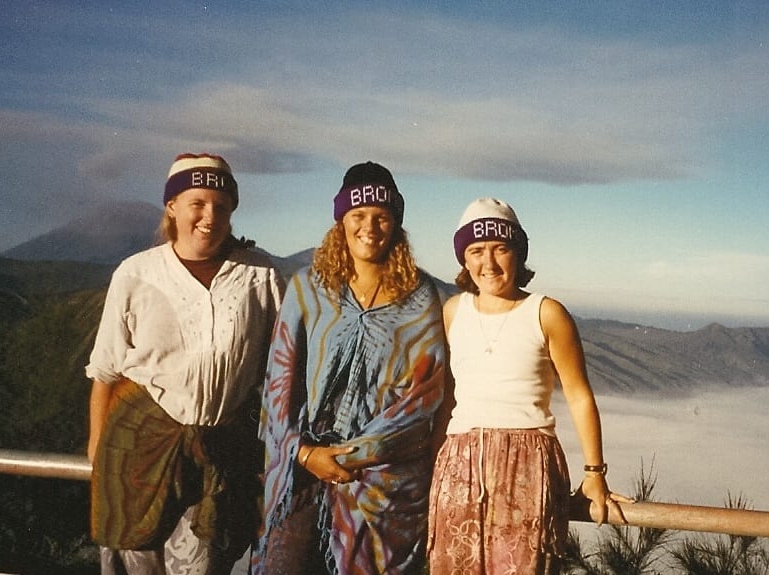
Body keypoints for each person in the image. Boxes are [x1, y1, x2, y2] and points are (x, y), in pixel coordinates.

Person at [86, 153, 284, 574]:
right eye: (197, 202)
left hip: (217, 457)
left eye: (221, 204)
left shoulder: (259, 276)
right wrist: (98, 455)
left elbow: (279, 370)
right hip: (134, 456)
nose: (209, 215)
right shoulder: (136, 274)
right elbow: (105, 374)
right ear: (172, 207)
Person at [253, 162, 447, 575]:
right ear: (341, 221)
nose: (370, 227)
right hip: (300, 476)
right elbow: (278, 383)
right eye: (358, 216)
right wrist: (305, 454)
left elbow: (423, 398)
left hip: (380, 489)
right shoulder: (307, 289)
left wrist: (350, 457)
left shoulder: (420, 297)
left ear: (397, 224)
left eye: (382, 217)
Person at [427, 197, 631, 574]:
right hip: (459, 464)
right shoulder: (453, 312)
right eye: (476, 251)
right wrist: (435, 465)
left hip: (528, 464)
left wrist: (594, 474)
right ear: (464, 259)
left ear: (518, 254)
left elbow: (578, 395)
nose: (488, 263)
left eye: (500, 249)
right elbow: (449, 395)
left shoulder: (547, 312)